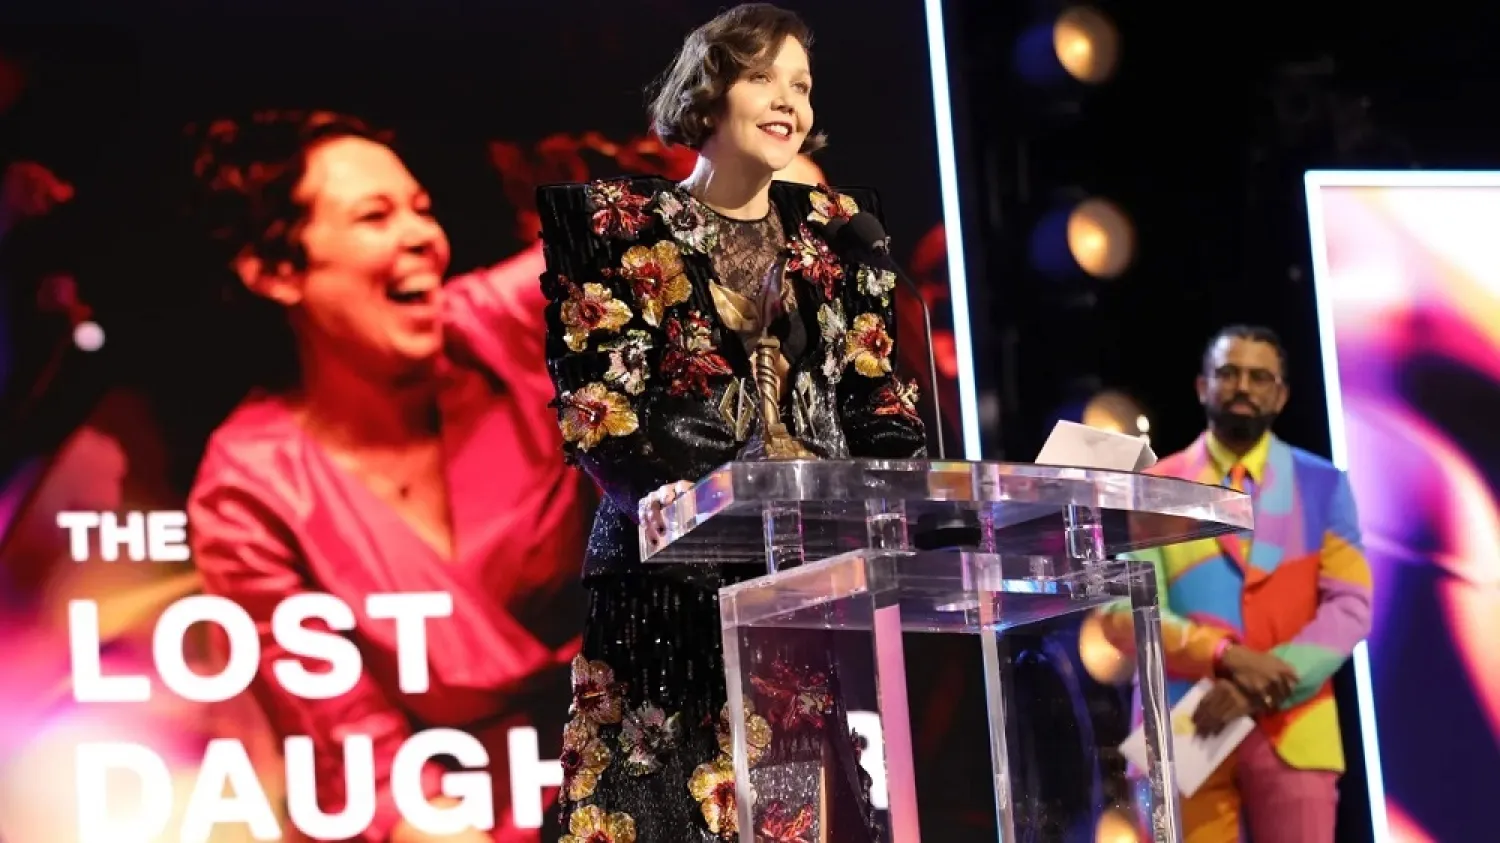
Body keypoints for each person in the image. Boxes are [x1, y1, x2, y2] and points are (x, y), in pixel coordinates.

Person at [536, 4, 926, 841]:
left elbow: (876, 402)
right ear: (709, 93)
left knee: (797, 811)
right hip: (666, 593)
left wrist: (909, 489)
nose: (789, 100)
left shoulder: (838, 235)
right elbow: (602, 414)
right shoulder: (616, 229)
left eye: (803, 85)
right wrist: (717, 489)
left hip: (793, 590)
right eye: (763, 77)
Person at [185, 110, 590, 843]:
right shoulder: (246, 492)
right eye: (375, 215)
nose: (422, 239)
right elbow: (367, 766)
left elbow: (717, 228)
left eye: (422, 210)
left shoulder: (501, 324)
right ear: (275, 270)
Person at [1102, 325, 1373, 843]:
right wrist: (1226, 657)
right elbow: (1124, 614)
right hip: (1184, 724)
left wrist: (1259, 684)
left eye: (1259, 376)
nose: (1243, 385)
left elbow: (1350, 607)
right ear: (1202, 387)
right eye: (1228, 373)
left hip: (1294, 723)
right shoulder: (1156, 490)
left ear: (1282, 394)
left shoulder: (1324, 484)